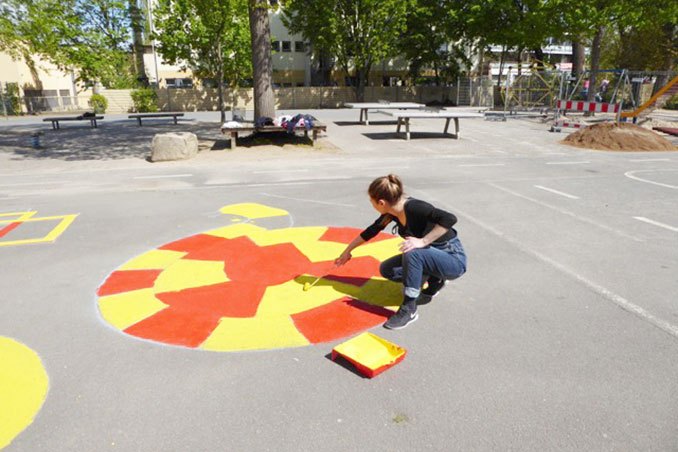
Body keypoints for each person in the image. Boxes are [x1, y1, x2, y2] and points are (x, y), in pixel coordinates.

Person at [335, 175, 467, 330]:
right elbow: (372, 231)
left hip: (453, 259)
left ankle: (409, 308)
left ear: (381, 203)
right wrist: (347, 251)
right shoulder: (391, 213)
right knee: (388, 270)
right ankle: (435, 279)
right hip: (432, 256)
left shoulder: (415, 207)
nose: (372, 204)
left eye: (371, 201)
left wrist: (423, 241)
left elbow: (449, 218)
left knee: (413, 251)